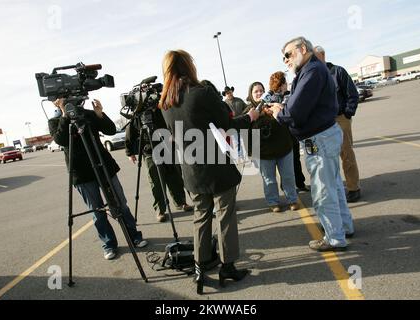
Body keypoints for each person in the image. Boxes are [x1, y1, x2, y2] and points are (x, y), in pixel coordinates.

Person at [159, 50, 259, 294]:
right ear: (188, 66)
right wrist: (251, 117)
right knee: (225, 215)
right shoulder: (200, 93)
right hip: (215, 166)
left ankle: (200, 268)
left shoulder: (165, 103)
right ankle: (227, 266)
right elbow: (227, 123)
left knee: (201, 217)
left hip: (191, 170)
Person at [269, 36, 354, 252]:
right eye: (283, 57)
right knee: (333, 185)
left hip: (320, 139)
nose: (286, 60)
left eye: (288, 54)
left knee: (323, 191)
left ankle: (334, 238)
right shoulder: (312, 70)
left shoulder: (312, 71)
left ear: (302, 49)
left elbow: (294, 112)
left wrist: (279, 112)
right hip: (324, 136)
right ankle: (344, 226)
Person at [48, 98, 148, 260]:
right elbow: (61, 140)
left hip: (104, 166)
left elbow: (110, 130)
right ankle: (109, 244)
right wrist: (66, 115)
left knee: (121, 203)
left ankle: (135, 236)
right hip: (81, 172)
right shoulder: (55, 121)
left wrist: (100, 114)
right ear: (55, 103)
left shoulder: (88, 114)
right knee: (97, 210)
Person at [125, 106, 193, 223]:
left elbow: (173, 123)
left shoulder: (163, 109)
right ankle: (160, 210)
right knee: (156, 182)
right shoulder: (138, 114)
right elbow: (130, 133)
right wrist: (130, 152)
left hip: (168, 149)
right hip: (150, 152)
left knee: (175, 178)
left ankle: (181, 202)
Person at [314, 45, 361, 203]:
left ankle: (353, 188)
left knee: (346, 153)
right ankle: (336, 189)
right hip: (323, 123)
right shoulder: (313, 77)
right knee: (327, 158)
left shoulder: (338, 71)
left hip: (340, 119)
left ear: (322, 55)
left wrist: (347, 113)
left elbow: (352, 94)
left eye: (315, 56)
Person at [244, 81, 299, 213]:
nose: (259, 93)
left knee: (288, 176)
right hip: (264, 154)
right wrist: (251, 153)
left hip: (284, 148)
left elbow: (287, 120)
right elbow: (245, 135)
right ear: (251, 94)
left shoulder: (275, 104)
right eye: (255, 91)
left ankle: (292, 199)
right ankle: (273, 202)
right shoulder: (249, 112)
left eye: (261, 90)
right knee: (269, 180)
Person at [268, 71, 309, 193]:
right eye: (285, 82)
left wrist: (277, 105)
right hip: (282, 135)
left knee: (295, 160)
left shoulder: (287, 95)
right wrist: (277, 105)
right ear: (281, 84)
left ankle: (299, 183)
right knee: (286, 163)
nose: (286, 85)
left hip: (291, 134)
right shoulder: (271, 97)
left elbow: (286, 108)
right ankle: (289, 186)